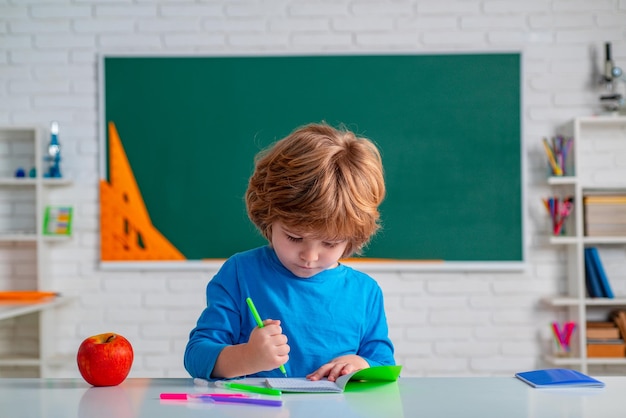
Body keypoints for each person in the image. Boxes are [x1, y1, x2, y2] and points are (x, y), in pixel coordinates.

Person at [184, 122, 395, 382]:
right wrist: (247, 357)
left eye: (329, 243)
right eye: (294, 237)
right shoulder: (240, 273)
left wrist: (361, 364)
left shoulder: (365, 292)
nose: (309, 256)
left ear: (352, 238)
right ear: (268, 218)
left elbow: (384, 364)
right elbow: (196, 356)